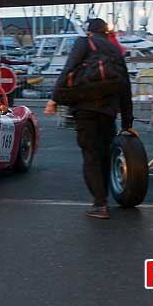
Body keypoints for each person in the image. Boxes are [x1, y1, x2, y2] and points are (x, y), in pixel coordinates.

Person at [44, 18, 135, 220]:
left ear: (90, 32)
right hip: (108, 112)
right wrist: (128, 122)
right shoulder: (115, 50)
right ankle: (104, 199)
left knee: (90, 155)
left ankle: (99, 204)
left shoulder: (84, 43)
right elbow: (125, 87)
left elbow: (69, 68)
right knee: (104, 154)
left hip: (85, 109)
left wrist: (54, 99)